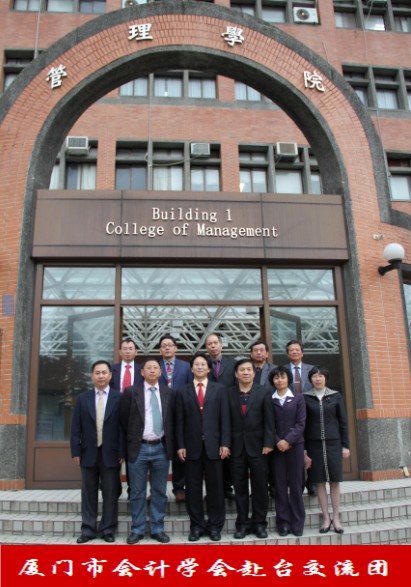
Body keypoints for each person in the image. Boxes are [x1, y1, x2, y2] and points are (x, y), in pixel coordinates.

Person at [175, 352, 231, 542]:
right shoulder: (182, 391)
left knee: (216, 489)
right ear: (191, 369)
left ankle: (215, 526)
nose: (199, 367)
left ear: (209, 369)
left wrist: (225, 443)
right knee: (193, 489)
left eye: (203, 365)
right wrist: (180, 445)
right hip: (191, 448)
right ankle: (196, 526)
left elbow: (225, 418)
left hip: (215, 447)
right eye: (196, 365)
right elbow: (179, 421)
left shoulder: (219, 389)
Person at [120, 357, 175, 544]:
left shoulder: (168, 393)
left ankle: (157, 529)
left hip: (160, 447)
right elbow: (124, 421)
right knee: (137, 492)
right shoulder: (131, 392)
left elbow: (172, 420)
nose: (152, 370)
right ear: (142, 372)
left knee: (159, 491)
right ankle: (137, 529)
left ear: (160, 372)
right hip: (139, 448)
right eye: (148, 368)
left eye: (155, 368)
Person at [70, 360, 125, 544]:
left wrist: (122, 452)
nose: (101, 376)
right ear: (92, 376)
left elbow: (122, 428)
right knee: (88, 492)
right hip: (88, 452)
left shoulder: (119, 397)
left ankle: (108, 529)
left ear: (110, 375)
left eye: (104, 372)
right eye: (97, 373)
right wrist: (76, 451)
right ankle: (88, 529)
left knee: (110, 492)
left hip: (111, 453)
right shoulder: (83, 398)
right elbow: (75, 427)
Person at [227, 358, 275, 539]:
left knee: (260, 487)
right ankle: (242, 524)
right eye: (242, 370)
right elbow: (225, 421)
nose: (246, 372)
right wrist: (226, 444)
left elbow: (270, 420)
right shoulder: (229, 393)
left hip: (259, 447)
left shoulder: (265, 391)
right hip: (236, 448)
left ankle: (260, 523)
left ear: (254, 373)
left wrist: (269, 443)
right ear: (236, 374)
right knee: (239, 489)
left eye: (249, 369)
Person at [303, 366, 350, 534]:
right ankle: (326, 517)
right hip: (314, 444)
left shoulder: (335, 396)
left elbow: (343, 422)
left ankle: (336, 517)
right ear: (310, 379)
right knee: (319, 481)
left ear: (326, 378)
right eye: (315, 376)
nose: (318, 379)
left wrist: (345, 445)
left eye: (321, 376)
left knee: (334, 480)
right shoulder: (305, 398)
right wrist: (304, 450)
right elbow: (303, 425)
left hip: (333, 443)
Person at [268, 365, 306, 537]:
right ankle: (283, 522)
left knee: (296, 485)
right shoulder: (270, 400)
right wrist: (278, 441)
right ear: (272, 381)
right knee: (280, 485)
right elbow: (268, 424)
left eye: (283, 377)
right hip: (276, 448)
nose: (280, 380)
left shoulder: (298, 398)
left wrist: (288, 440)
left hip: (295, 446)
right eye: (276, 377)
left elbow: (301, 423)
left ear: (288, 379)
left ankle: (297, 522)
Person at [158, 334, 193, 502]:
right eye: (164, 345)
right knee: (160, 453)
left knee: (180, 450)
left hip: (181, 413)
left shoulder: (186, 366)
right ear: (160, 350)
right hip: (160, 413)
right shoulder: (154, 366)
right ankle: (158, 489)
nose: (167, 348)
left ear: (176, 348)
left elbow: (190, 388)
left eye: (170, 345)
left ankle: (179, 488)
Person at [206, 332, 236, 500]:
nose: (213, 346)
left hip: (229, 411)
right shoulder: (203, 364)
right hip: (208, 413)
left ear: (221, 345)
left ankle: (227, 486)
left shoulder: (233, 364)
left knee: (228, 450)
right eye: (209, 344)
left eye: (215, 343)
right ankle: (213, 488)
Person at [110, 337, 141, 497]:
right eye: (125, 349)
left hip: (134, 417)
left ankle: (131, 489)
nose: (128, 351)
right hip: (114, 416)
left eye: (131, 349)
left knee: (132, 454)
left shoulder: (142, 370)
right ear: (120, 352)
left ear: (136, 352)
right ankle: (114, 489)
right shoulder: (111, 370)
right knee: (114, 452)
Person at [286, 339, 316, 496]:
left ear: (302, 353)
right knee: (295, 449)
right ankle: (297, 483)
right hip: (291, 415)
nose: (294, 352)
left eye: (297, 349)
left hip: (310, 414)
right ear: (287, 354)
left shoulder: (312, 370)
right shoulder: (282, 371)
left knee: (311, 448)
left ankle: (312, 483)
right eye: (291, 350)